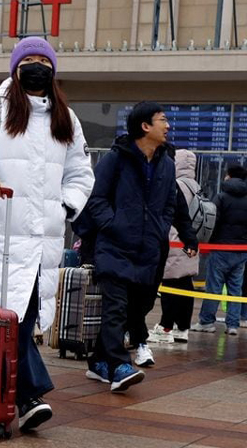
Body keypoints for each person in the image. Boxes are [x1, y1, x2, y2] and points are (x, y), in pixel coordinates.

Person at [0, 37, 94, 431]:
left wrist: (66, 206)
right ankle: (29, 395)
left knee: (26, 316)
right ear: (15, 68)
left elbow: (81, 173)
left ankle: (13, 397)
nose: (36, 66)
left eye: (43, 60)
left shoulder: (65, 118)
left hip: (45, 239)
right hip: (2, 232)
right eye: (28, 60)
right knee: (8, 318)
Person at [84, 101, 177, 394]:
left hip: (147, 250)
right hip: (115, 246)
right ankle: (119, 365)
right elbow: (96, 199)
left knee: (130, 311)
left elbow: (169, 204)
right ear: (145, 126)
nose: (168, 126)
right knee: (115, 308)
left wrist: (160, 229)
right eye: (162, 120)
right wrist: (114, 225)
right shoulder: (116, 159)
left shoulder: (167, 164)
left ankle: (98, 362)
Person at [149, 149, 201, 344]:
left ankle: (166, 327)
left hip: (174, 243)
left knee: (170, 286)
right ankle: (183, 328)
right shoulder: (196, 186)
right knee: (186, 287)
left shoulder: (177, 184)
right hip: (190, 243)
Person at [193, 165, 247, 335]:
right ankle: (233, 324)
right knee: (235, 288)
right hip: (241, 250)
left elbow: (211, 222)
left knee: (214, 286)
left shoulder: (221, 197)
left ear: (228, 177)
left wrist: (208, 242)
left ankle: (207, 321)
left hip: (220, 247)